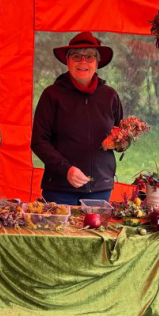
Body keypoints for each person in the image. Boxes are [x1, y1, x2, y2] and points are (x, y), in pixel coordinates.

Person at [31, 32, 123, 205]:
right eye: (76, 56)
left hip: (99, 189)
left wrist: (123, 142)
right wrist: (66, 170)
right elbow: (39, 141)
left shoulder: (110, 96)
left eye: (89, 56)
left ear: (97, 62)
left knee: (96, 225)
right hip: (59, 189)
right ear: (67, 61)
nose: (83, 61)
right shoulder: (52, 95)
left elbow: (120, 134)